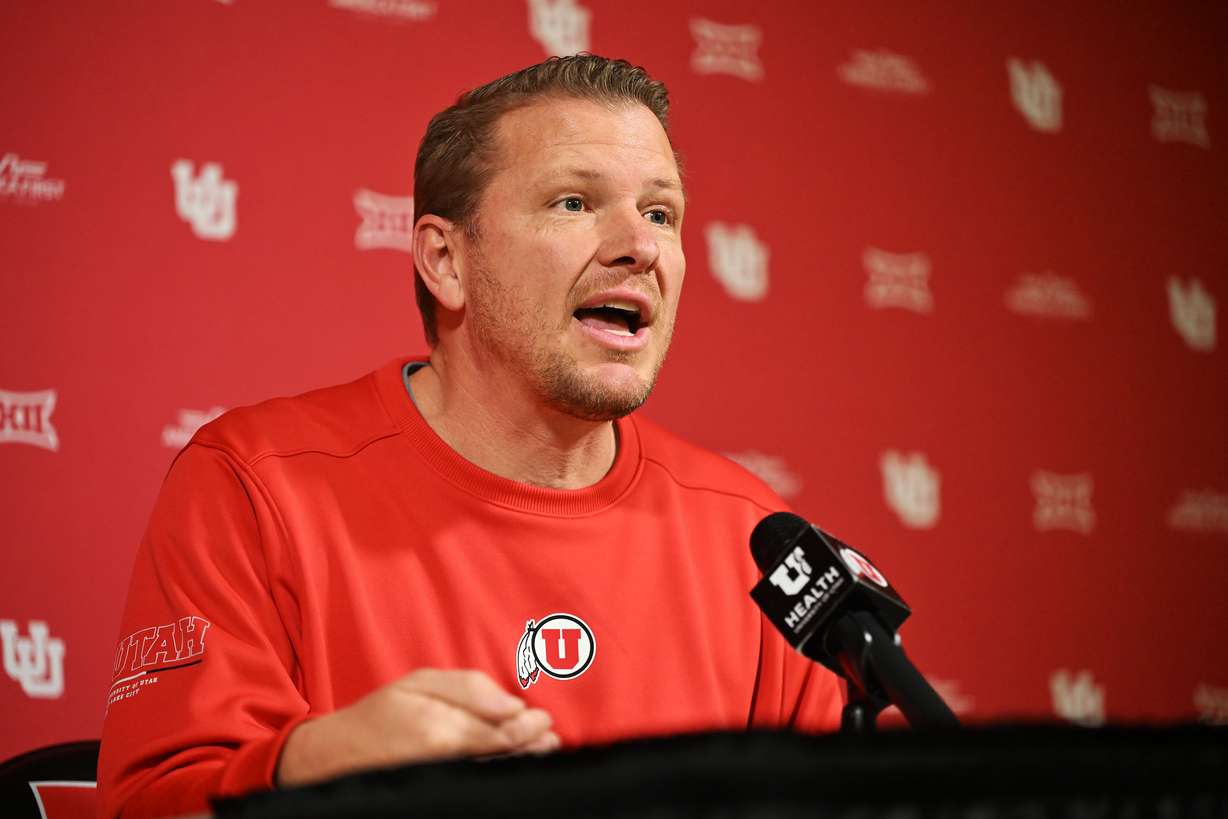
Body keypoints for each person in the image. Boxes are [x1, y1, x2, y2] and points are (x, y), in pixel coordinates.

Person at [97, 54, 843, 818]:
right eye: (574, 202)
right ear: (445, 260)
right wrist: (317, 770)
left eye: (660, 213)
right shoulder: (256, 484)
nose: (640, 246)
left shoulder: (759, 542)